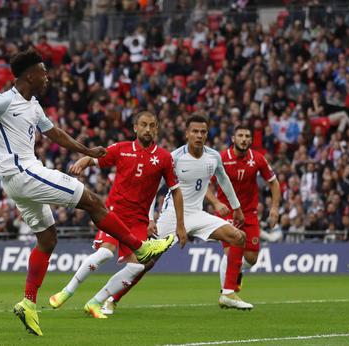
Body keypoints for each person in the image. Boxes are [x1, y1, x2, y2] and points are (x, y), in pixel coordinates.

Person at [0, 50, 174, 336]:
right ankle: (141, 248)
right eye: (43, 71)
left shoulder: (33, 105)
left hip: (18, 180)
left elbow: (54, 133)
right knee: (92, 201)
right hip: (23, 172)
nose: (47, 76)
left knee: (47, 238)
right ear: (29, 75)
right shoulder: (5, 99)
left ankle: (28, 304)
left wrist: (86, 150)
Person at [100, 113, 248, 314]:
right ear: (186, 133)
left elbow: (224, 181)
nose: (199, 135)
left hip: (197, 214)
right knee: (145, 262)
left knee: (238, 237)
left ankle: (228, 293)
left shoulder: (213, 157)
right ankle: (111, 299)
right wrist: (150, 218)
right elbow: (152, 187)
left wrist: (236, 208)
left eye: (203, 132)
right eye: (194, 131)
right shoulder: (174, 157)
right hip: (171, 216)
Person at [48, 111, 185, 318]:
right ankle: (66, 292)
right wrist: (84, 161)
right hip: (115, 213)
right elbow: (96, 159)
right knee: (105, 253)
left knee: (139, 266)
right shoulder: (121, 149)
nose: (148, 129)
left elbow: (175, 191)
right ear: (135, 128)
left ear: (157, 129)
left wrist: (180, 225)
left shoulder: (164, 158)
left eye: (152, 126)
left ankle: (96, 302)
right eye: (144, 125)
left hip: (138, 220)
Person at [205, 125, 280, 309]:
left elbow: (274, 183)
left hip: (249, 213)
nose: (244, 139)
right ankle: (227, 292)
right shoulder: (221, 158)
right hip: (228, 212)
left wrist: (275, 208)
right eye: (240, 135)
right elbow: (205, 185)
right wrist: (216, 203)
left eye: (247, 136)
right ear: (233, 138)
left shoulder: (258, 159)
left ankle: (234, 274)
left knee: (252, 257)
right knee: (231, 251)